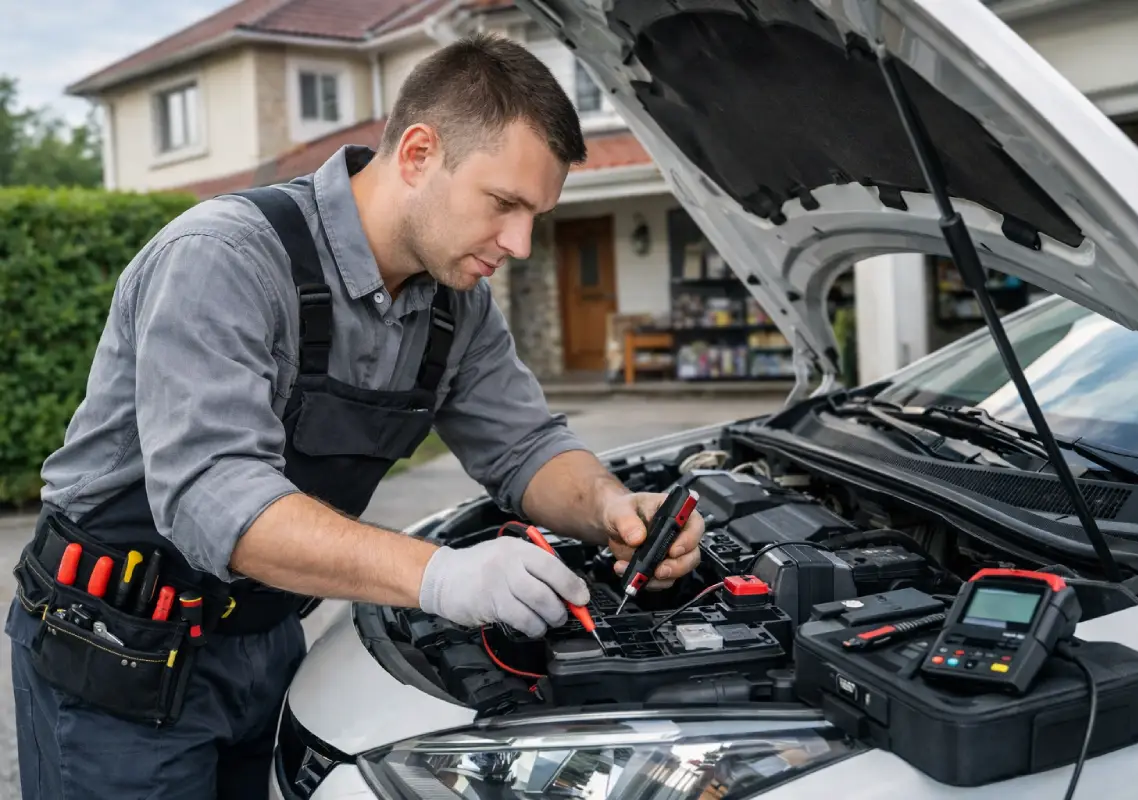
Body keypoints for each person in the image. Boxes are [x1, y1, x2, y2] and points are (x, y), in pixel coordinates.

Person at [6, 33, 704, 799]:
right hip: (116, 655)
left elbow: (526, 446)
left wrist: (611, 509)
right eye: (504, 204)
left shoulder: (457, 308)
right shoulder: (224, 257)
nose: (521, 243)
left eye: (535, 214)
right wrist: (440, 574)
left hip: (267, 641)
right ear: (418, 154)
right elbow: (214, 496)